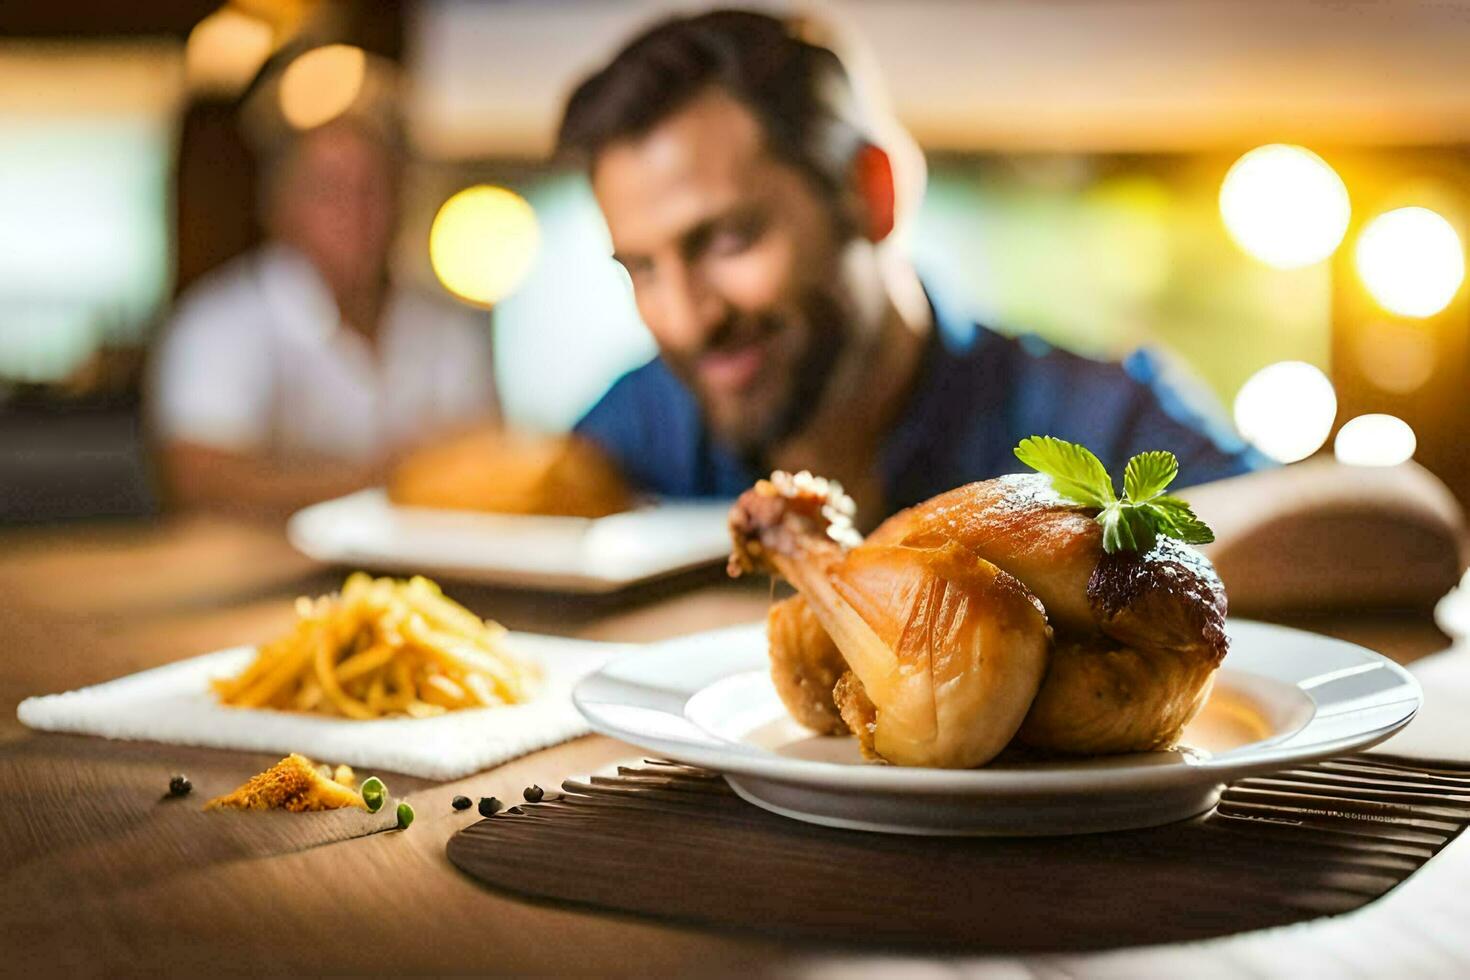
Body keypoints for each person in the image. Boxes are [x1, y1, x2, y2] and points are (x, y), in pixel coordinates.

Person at [557, 10, 1264, 527]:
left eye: (730, 239)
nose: (686, 318)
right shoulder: (647, 423)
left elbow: (1326, 524)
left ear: (873, 193)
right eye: (642, 269)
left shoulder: (1097, 420)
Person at [150, 116, 499, 516]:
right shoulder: (217, 323)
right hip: (260, 572)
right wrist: (382, 479)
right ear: (281, 207)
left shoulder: (447, 324)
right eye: (330, 190)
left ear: (402, 202)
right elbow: (200, 480)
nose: (355, 213)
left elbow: (489, 460)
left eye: (374, 190)